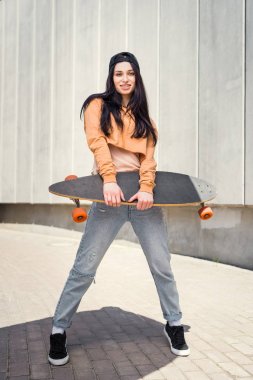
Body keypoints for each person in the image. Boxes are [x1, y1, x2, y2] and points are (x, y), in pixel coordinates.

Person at [48, 52, 190, 366]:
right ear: (111, 77)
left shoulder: (147, 121)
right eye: (118, 73)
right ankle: (59, 328)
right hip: (107, 199)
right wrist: (108, 180)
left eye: (130, 73)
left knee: (161, 266)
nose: (124, 78)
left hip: (144, 202)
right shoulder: (97, 106)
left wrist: (147, 189)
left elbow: (148, 162)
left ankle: (174, 323)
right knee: (84, 267)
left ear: (136, 78)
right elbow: (97, 142)